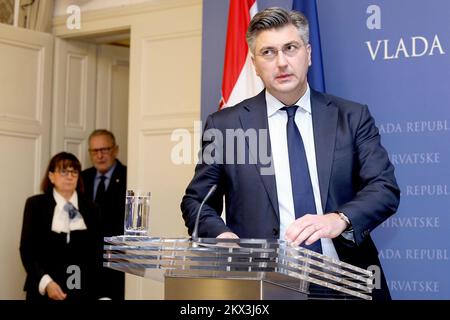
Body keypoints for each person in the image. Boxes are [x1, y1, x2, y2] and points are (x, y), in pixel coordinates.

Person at [181, 7, 400, 300]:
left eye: (290, 48)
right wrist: (220, 236)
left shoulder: (351, 117)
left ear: (308, 53)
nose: (281, 62)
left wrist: (339, 218)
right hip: (264, 285)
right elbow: (197, 201)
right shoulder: (226, 125)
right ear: (255, 64)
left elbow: (384, 188)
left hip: (346, 281)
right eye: (268, 52)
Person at [20, 152, 103, 301]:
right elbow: (27, 250)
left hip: (81, 290)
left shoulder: (91, 208)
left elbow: (96, 252)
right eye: (64, 171)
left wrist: (102, 294)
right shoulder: (35, 205)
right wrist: (47, 282)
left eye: (74, 172)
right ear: (51, 176)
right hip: (43, 288)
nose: (70, 176)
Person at [81, 129, 126, 300]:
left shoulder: (130, 175)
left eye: (104, 150)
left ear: (115, 150)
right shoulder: (82, 178)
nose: (99, 155)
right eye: (95, 151)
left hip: (116, 260)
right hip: (87, 261)